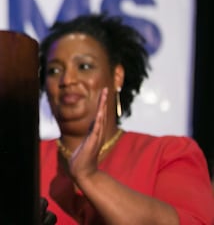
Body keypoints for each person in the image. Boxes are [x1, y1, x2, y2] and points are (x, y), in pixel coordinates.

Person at [38, 13, 214, 224]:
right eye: (54, 70)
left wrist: (89, 176)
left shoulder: (168, 154)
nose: (67, 80)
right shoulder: (24, 160)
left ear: (117, 76)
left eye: (84, 66)